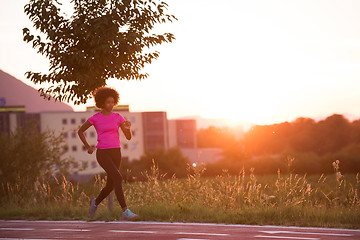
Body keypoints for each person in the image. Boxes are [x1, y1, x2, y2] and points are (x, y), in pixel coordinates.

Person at [77, 86, 138, 220]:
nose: (111, 105)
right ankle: (125, 211)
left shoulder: (118, 117)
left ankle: (95, 202)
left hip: (116, 152)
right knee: (118, 178)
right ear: (102, 103)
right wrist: (88, 146)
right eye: (108, 102)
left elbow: (128, 137)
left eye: (112, 102)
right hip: (103, 153)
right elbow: (80, 131)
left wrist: (128, 129)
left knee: (111, 184)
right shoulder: (96, 118)